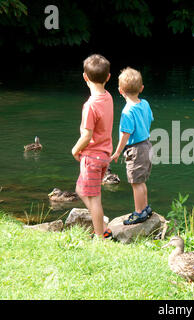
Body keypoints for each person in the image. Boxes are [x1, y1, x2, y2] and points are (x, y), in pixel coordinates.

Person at [72, 54, 114, 238]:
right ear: (108, 77)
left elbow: (87, 135)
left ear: (85, 77)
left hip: (91, 157)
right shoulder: (108, 97)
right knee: (80, 190)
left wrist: (75, 150)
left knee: (94, 198)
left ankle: (100, 236)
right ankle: (102, 225)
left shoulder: (90, 105)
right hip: (104, 155)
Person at [111, 67, 154, 225]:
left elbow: (125, 135)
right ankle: (146, 208)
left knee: (135, 183)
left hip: (135, 149)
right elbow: (149, 120)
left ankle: (138, 212)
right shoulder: (145, 104)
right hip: (147, 145)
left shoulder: (127, 111)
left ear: (120, 90)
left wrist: (117, 152)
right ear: (141, 88)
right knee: (141, 181)